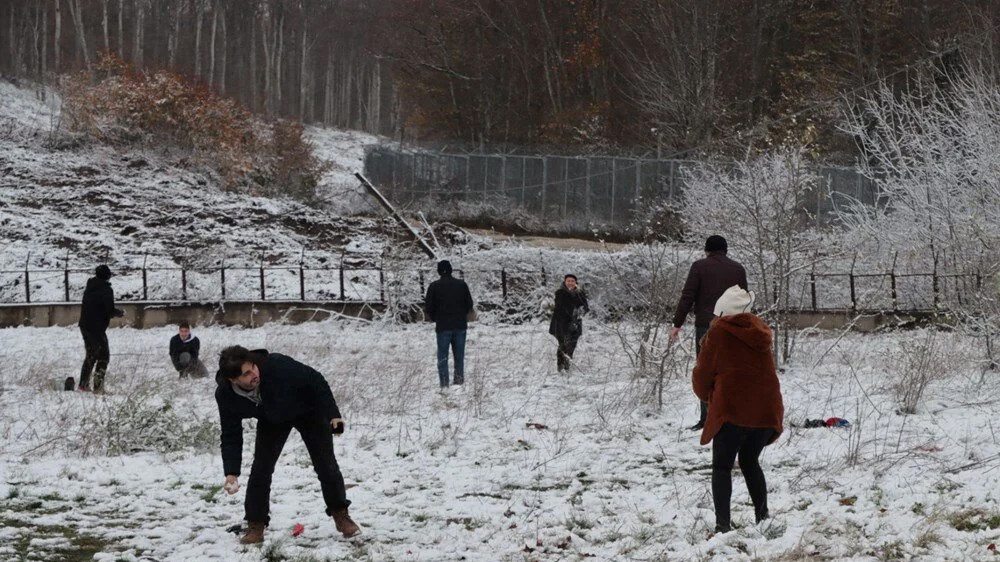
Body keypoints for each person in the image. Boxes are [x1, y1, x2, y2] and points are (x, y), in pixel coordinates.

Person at [216, 346, 360, 544]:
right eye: (246, 374)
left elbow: (316, 380)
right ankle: (255, 525)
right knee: (261, 470)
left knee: (326, 465)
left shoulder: (277, 365)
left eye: (253, 368)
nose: (253, 374)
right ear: (233, 380)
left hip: (308, 411)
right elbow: (231, 434)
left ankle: (341, 516)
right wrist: (231, 472)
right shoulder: (226, 395)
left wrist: (333, 414)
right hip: (273, 419)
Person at [692, 285, 783, 534]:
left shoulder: (718, 333)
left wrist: (708, 398)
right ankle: (762, 517)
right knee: (750, 461)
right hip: (765, 411)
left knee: (722, 466)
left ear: (722, 312)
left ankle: (723, 526)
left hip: (732, 411)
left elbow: (702, 376)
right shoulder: (760, 332)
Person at [670, 235, 748, 430]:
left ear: (707, 250)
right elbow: (744, 300)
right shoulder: (738, 269)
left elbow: (688, 296)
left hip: (706, 326)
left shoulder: (699, 267)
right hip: (732, 328)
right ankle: (730, 417)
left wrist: (677, 323)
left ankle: (707, 419)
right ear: (726, 249)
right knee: (729, 371)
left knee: (706, 372)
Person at [424, 260, 474, 389]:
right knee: (459, 357)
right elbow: (469, 304)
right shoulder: (462, 285)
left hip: (443, 326)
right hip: (460, 325)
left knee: (442, 358)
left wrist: (436, 317)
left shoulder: (434, 286)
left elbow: (428, 307)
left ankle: (444, 384)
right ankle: (458, 382)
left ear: (439, 271)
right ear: (451, 270)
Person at [78, 264, 124, 394]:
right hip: (96, 328)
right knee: (104, 356)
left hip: (84, 326)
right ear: (107, 276)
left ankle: (83, 385)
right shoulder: (106, 290)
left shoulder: (90, 286)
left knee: (91, 355)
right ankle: (98, 388)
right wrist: (119, 313)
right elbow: (109, 311)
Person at [548, 274, 590, 372]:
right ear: (565, 282)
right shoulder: (560, 293)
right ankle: (561, 367)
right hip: (560, 324)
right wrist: (574, 309)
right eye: (568, 281)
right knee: (563, 345)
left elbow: (585, 307)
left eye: (572, 281)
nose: (570, 283)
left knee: (572, 345)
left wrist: (580, 311)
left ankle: (567, 366)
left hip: (575, 324)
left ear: (575, 283)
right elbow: (562, 307)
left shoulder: (580, 293)